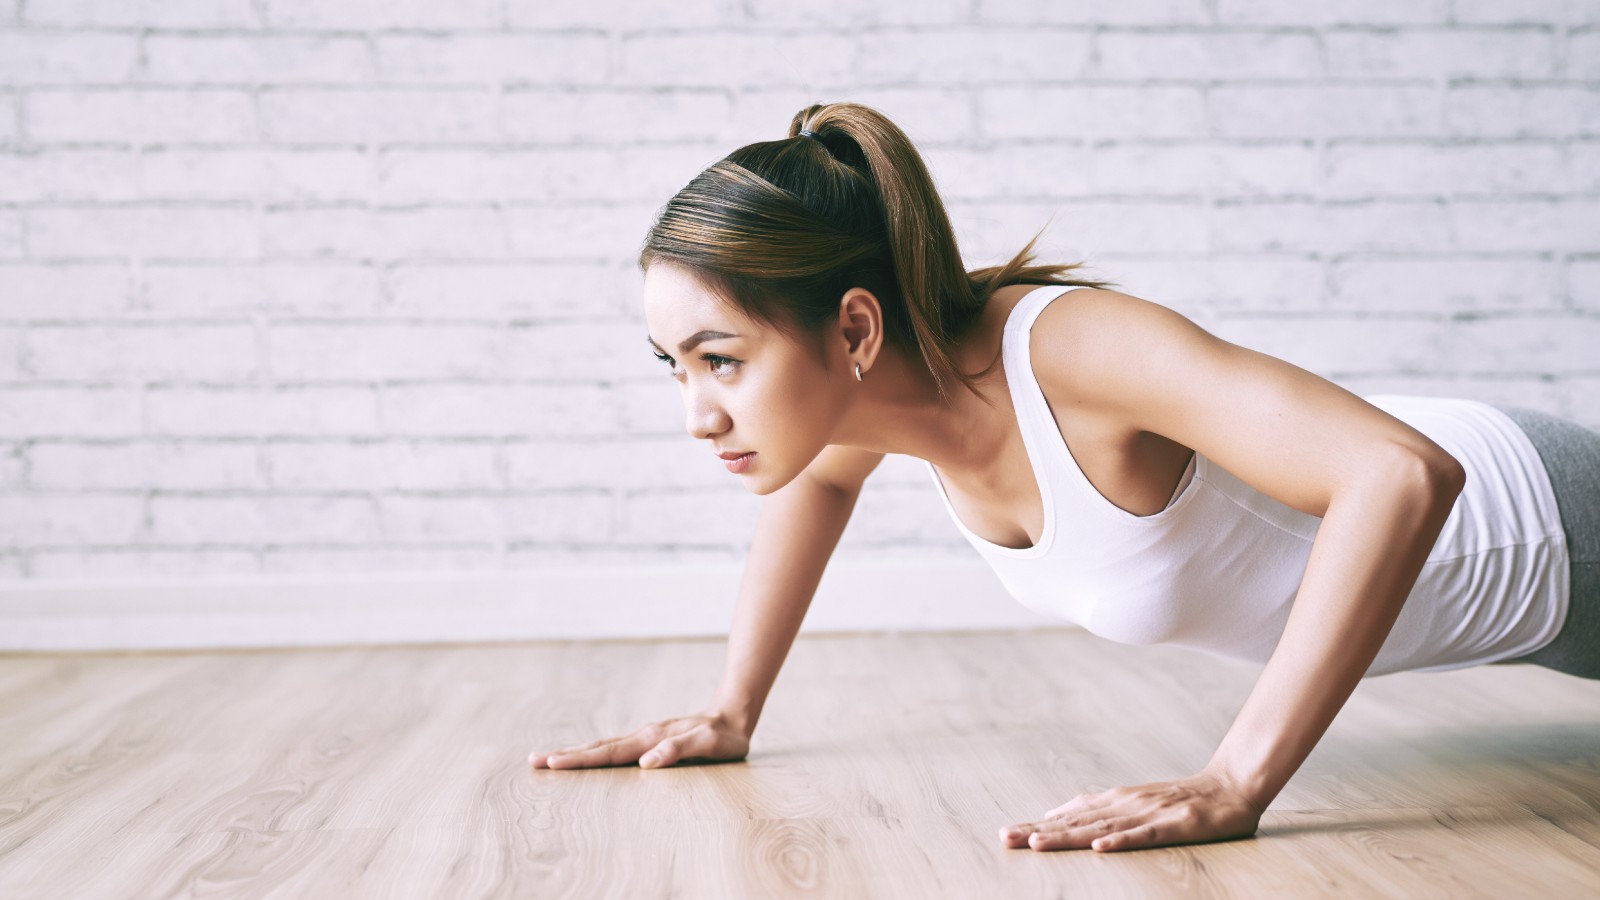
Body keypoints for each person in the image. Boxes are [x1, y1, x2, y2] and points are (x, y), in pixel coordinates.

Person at [528, 102, 1599, 853]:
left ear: (851, 326)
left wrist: (1236, 780)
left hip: (1550, 531)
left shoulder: (1070, 352)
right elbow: (818, 487)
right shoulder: (868, 392)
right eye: (674, 366)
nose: (696, 412)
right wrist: (731, 709)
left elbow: (1400, 471)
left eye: (721, 359)